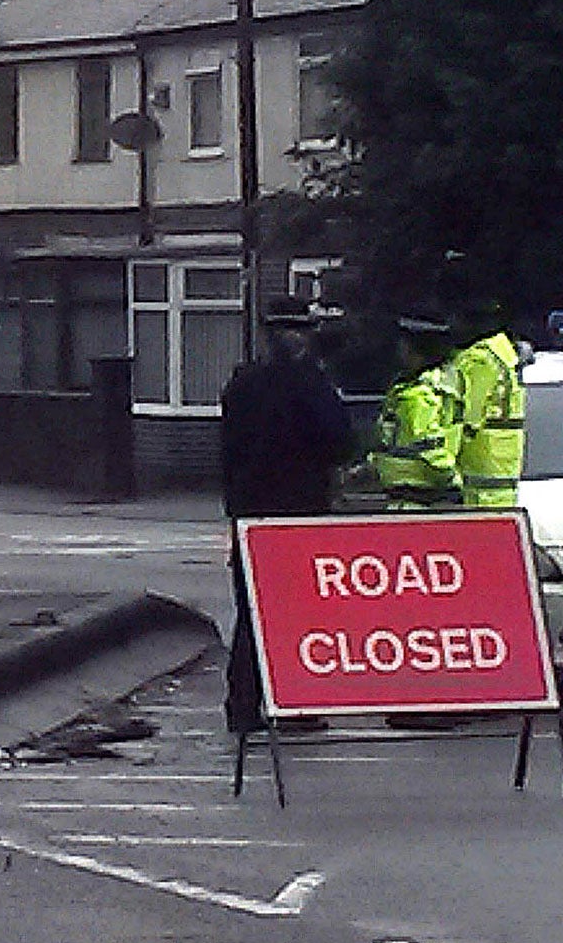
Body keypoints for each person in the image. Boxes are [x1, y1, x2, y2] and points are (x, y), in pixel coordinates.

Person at [219, 296, 354, 734]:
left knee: (253, 611)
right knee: (294, 614)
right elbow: (340, 441)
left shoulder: (243, 385)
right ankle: (293, 705)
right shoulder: (311, 385)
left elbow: (226, 452)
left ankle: (243, 705)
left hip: (252, 513)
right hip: (299, 513)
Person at [369, 314, 464, 509]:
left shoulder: (418, 396)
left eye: (404, 346)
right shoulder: (417, 388)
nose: (399, 351)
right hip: (411, 497)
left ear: (417, 352)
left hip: (415, 499)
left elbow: (427, 446)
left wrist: (452, 480)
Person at [450, 316, 526, 508]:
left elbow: (468, 418)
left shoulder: (479, 359)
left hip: (478, 481)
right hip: (499, 476)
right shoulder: (503, 356)